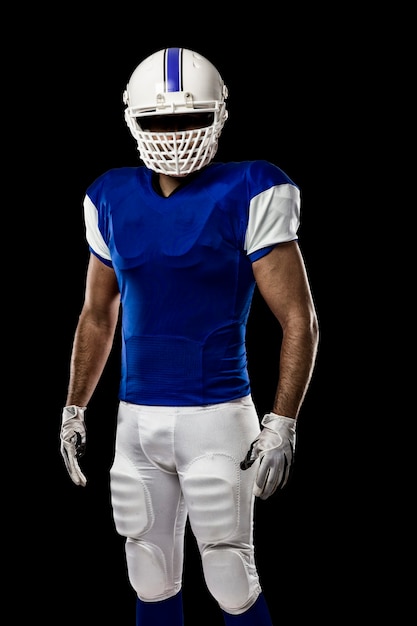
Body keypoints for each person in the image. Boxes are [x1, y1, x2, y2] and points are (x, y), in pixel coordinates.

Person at [60, 47, 319, 626]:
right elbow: (98, 313)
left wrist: (283, 420)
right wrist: (75, 408)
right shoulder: (109, 195)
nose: (176, 136)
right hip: (135, 419)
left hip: (218, 415)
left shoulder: (252, 188)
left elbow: (298, 319)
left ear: (220, 115)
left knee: (230, 574)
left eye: (189, 119)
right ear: (132, 119)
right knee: (147, 571)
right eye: (161, 120)